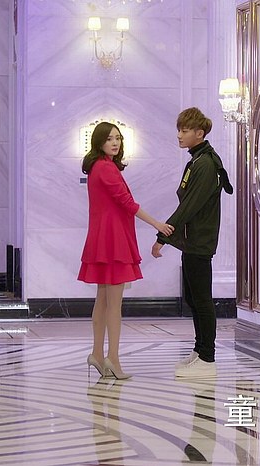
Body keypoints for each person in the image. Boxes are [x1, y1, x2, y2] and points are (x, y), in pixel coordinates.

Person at [79, 122, 174, 380]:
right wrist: (157, 224)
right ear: (99, 141)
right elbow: (127, 203)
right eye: (110, 138)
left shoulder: (99, 167)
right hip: (113, 241)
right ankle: (113, 358)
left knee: (102, 300)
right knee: (113, 304)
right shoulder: (105, 168)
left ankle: (97, 354)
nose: (115, 142)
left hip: (102, 239)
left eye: (118, 138)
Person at [151, 107, 233, 377]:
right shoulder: (198, 160)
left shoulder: (206, 164)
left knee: (202, 299)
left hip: (199, 241)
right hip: (192, 241)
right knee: (193, 298)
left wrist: (163, 236)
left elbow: (189, 206)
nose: (179, 135)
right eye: (179, 129)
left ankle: (208, 358)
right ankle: (200, 351)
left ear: (200, 133)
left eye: (184, 130)